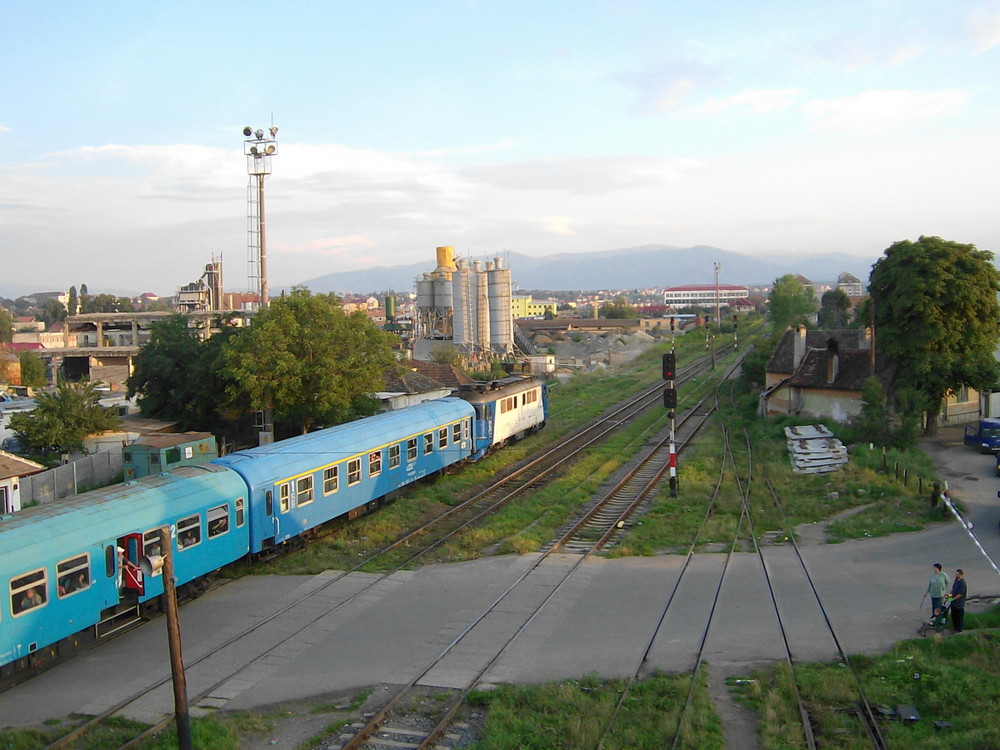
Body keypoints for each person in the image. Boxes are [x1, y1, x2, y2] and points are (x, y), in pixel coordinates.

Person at [949, 569, 967, 633]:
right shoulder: (956, 580)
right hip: (953, 603)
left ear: (961, 574)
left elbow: (960, 594)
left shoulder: (962, 583)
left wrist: (953, 599)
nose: (956, 575)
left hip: (959, 604)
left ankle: (959, 630)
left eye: (957, 574)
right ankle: (954, 628)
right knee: (954, 616)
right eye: (956, 574)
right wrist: (949, 597)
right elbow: (953, 589)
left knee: (959, 617)